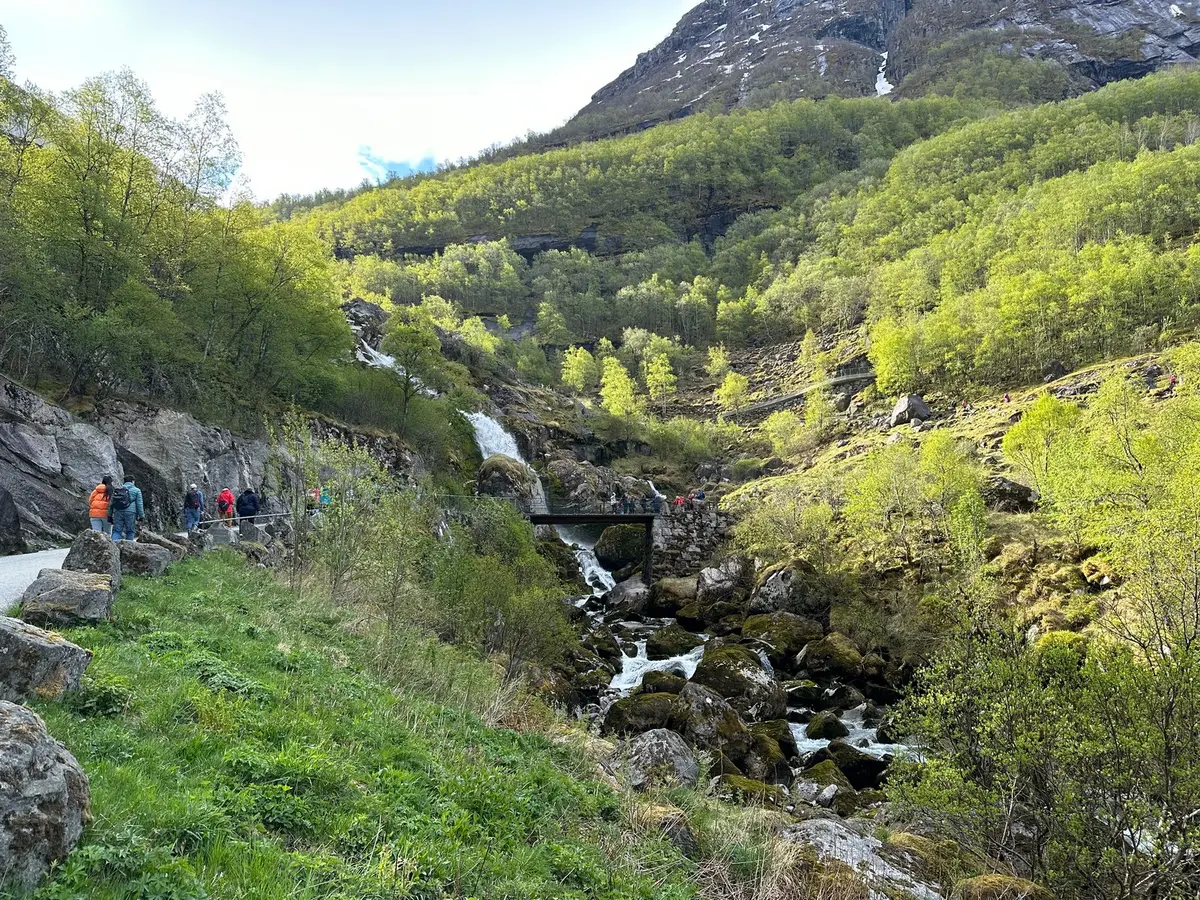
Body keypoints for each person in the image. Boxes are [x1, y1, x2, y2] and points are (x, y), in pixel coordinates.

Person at [109, 476, 143, 542]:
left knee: (117, 531)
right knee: (130, 531)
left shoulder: (118, 490)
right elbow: (139, 504)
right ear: (133, 481)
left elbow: (111, 503)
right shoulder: (137, 490)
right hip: (131, 512)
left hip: (118, 511)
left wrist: (109, 515)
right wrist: (141, 516)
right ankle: (129, 548)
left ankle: (113, 546)